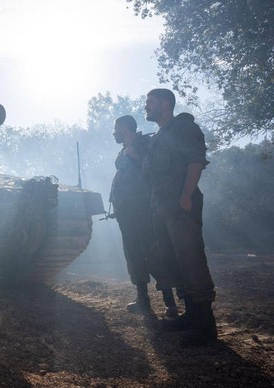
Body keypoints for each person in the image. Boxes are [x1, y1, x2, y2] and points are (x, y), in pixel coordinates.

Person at [143, 88, 217, 347]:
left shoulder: (183, 127)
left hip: (179, 205)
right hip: (162, 208)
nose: (146, 107)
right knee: (167, 260)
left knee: (191, 260)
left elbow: (195, 162)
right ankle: (191, 315)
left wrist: (186, 196)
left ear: (165, 103)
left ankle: (205, 325)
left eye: (150, 102)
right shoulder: (158, 137)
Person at [110, 115, 179, 318]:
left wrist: (137, 159)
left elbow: (157, 173)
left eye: (117, 128)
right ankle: (143, 299)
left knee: (154, 254)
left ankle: (170, 303)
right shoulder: (122, 152)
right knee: (133, 255)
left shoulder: (147, 145)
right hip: (127, 215)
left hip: (145, 212)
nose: (114, 133)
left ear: (126, 128)